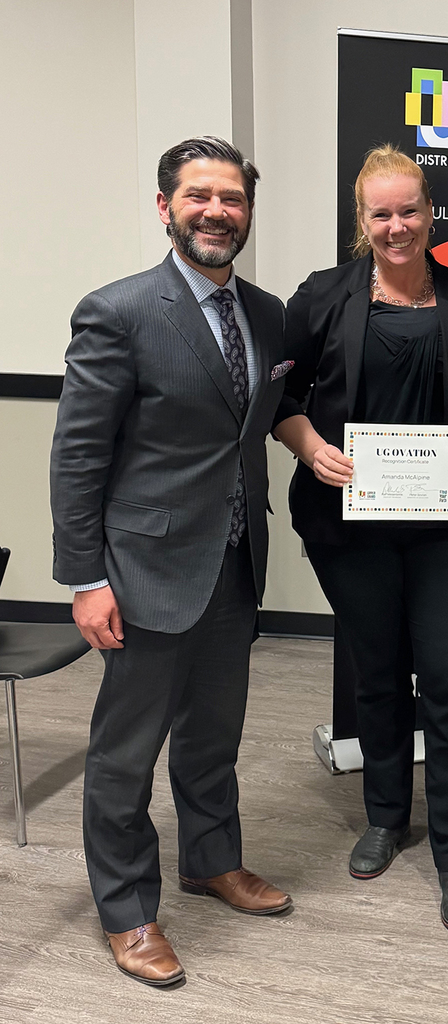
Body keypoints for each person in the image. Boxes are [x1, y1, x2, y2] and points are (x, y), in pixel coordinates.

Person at [50, 137, 293, 986]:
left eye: (232, 198)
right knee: (125, 755)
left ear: (248, 213)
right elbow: (78, 458)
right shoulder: (117, 311)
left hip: (233, 561)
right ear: (166, 208)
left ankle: (211, 860)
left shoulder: (266, 314)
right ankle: (127, 910)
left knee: (212, 736)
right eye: (199, 196)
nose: (217, 211)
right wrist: (86, 579)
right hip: (143, 572)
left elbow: (264, 420)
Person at [273, 145, 448, 933]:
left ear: (430, 211)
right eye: (380, 213)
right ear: (362, 221)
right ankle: (386, 815)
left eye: (408, 210)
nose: (396, 226)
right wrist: (310, 447)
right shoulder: (318, 300)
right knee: (376, 675)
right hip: (351, 530)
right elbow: (282, 402)